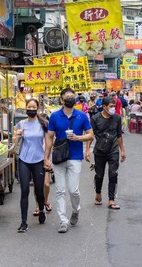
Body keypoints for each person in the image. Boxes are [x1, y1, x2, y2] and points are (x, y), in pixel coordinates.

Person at [45, 88, 94, 233]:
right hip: (59, 157)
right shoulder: (54, 117)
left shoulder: (82, 116)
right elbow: (49, 137)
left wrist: (78, 138)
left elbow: (90, 135)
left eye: (72, 97)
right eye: (67, 97)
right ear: (61, 100)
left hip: (75, 157)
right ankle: (63, 221)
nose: (71, 99)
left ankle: (75, 210)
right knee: (60, 191)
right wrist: (46, 157)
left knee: (73, 190)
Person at [13, 98, 49, 233]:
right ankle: (23, 222)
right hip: (24, 160)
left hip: (39, 160)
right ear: (26, 108)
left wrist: (47, 159)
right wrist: (17, 135)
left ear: (37, 109)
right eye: (29, 107)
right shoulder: (21, 124)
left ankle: (41, 209)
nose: (32, 109)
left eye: (34, 107)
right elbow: (15, 142)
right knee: (24, 191)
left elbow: (48, 142)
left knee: (39, 190)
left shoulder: (43, 123)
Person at [86, 97, 126, 210]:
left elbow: (119, 135)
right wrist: (87, 150)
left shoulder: (117, 118)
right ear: (104, 107)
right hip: (99, 150)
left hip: (113, 150)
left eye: (114, 106)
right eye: (111, 106)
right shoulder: (95, 118)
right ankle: (98, 193)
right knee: (99, 175)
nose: (113, 108)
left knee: (113, 174)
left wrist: (122, 150)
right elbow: (90, 135)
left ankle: (111, 199)